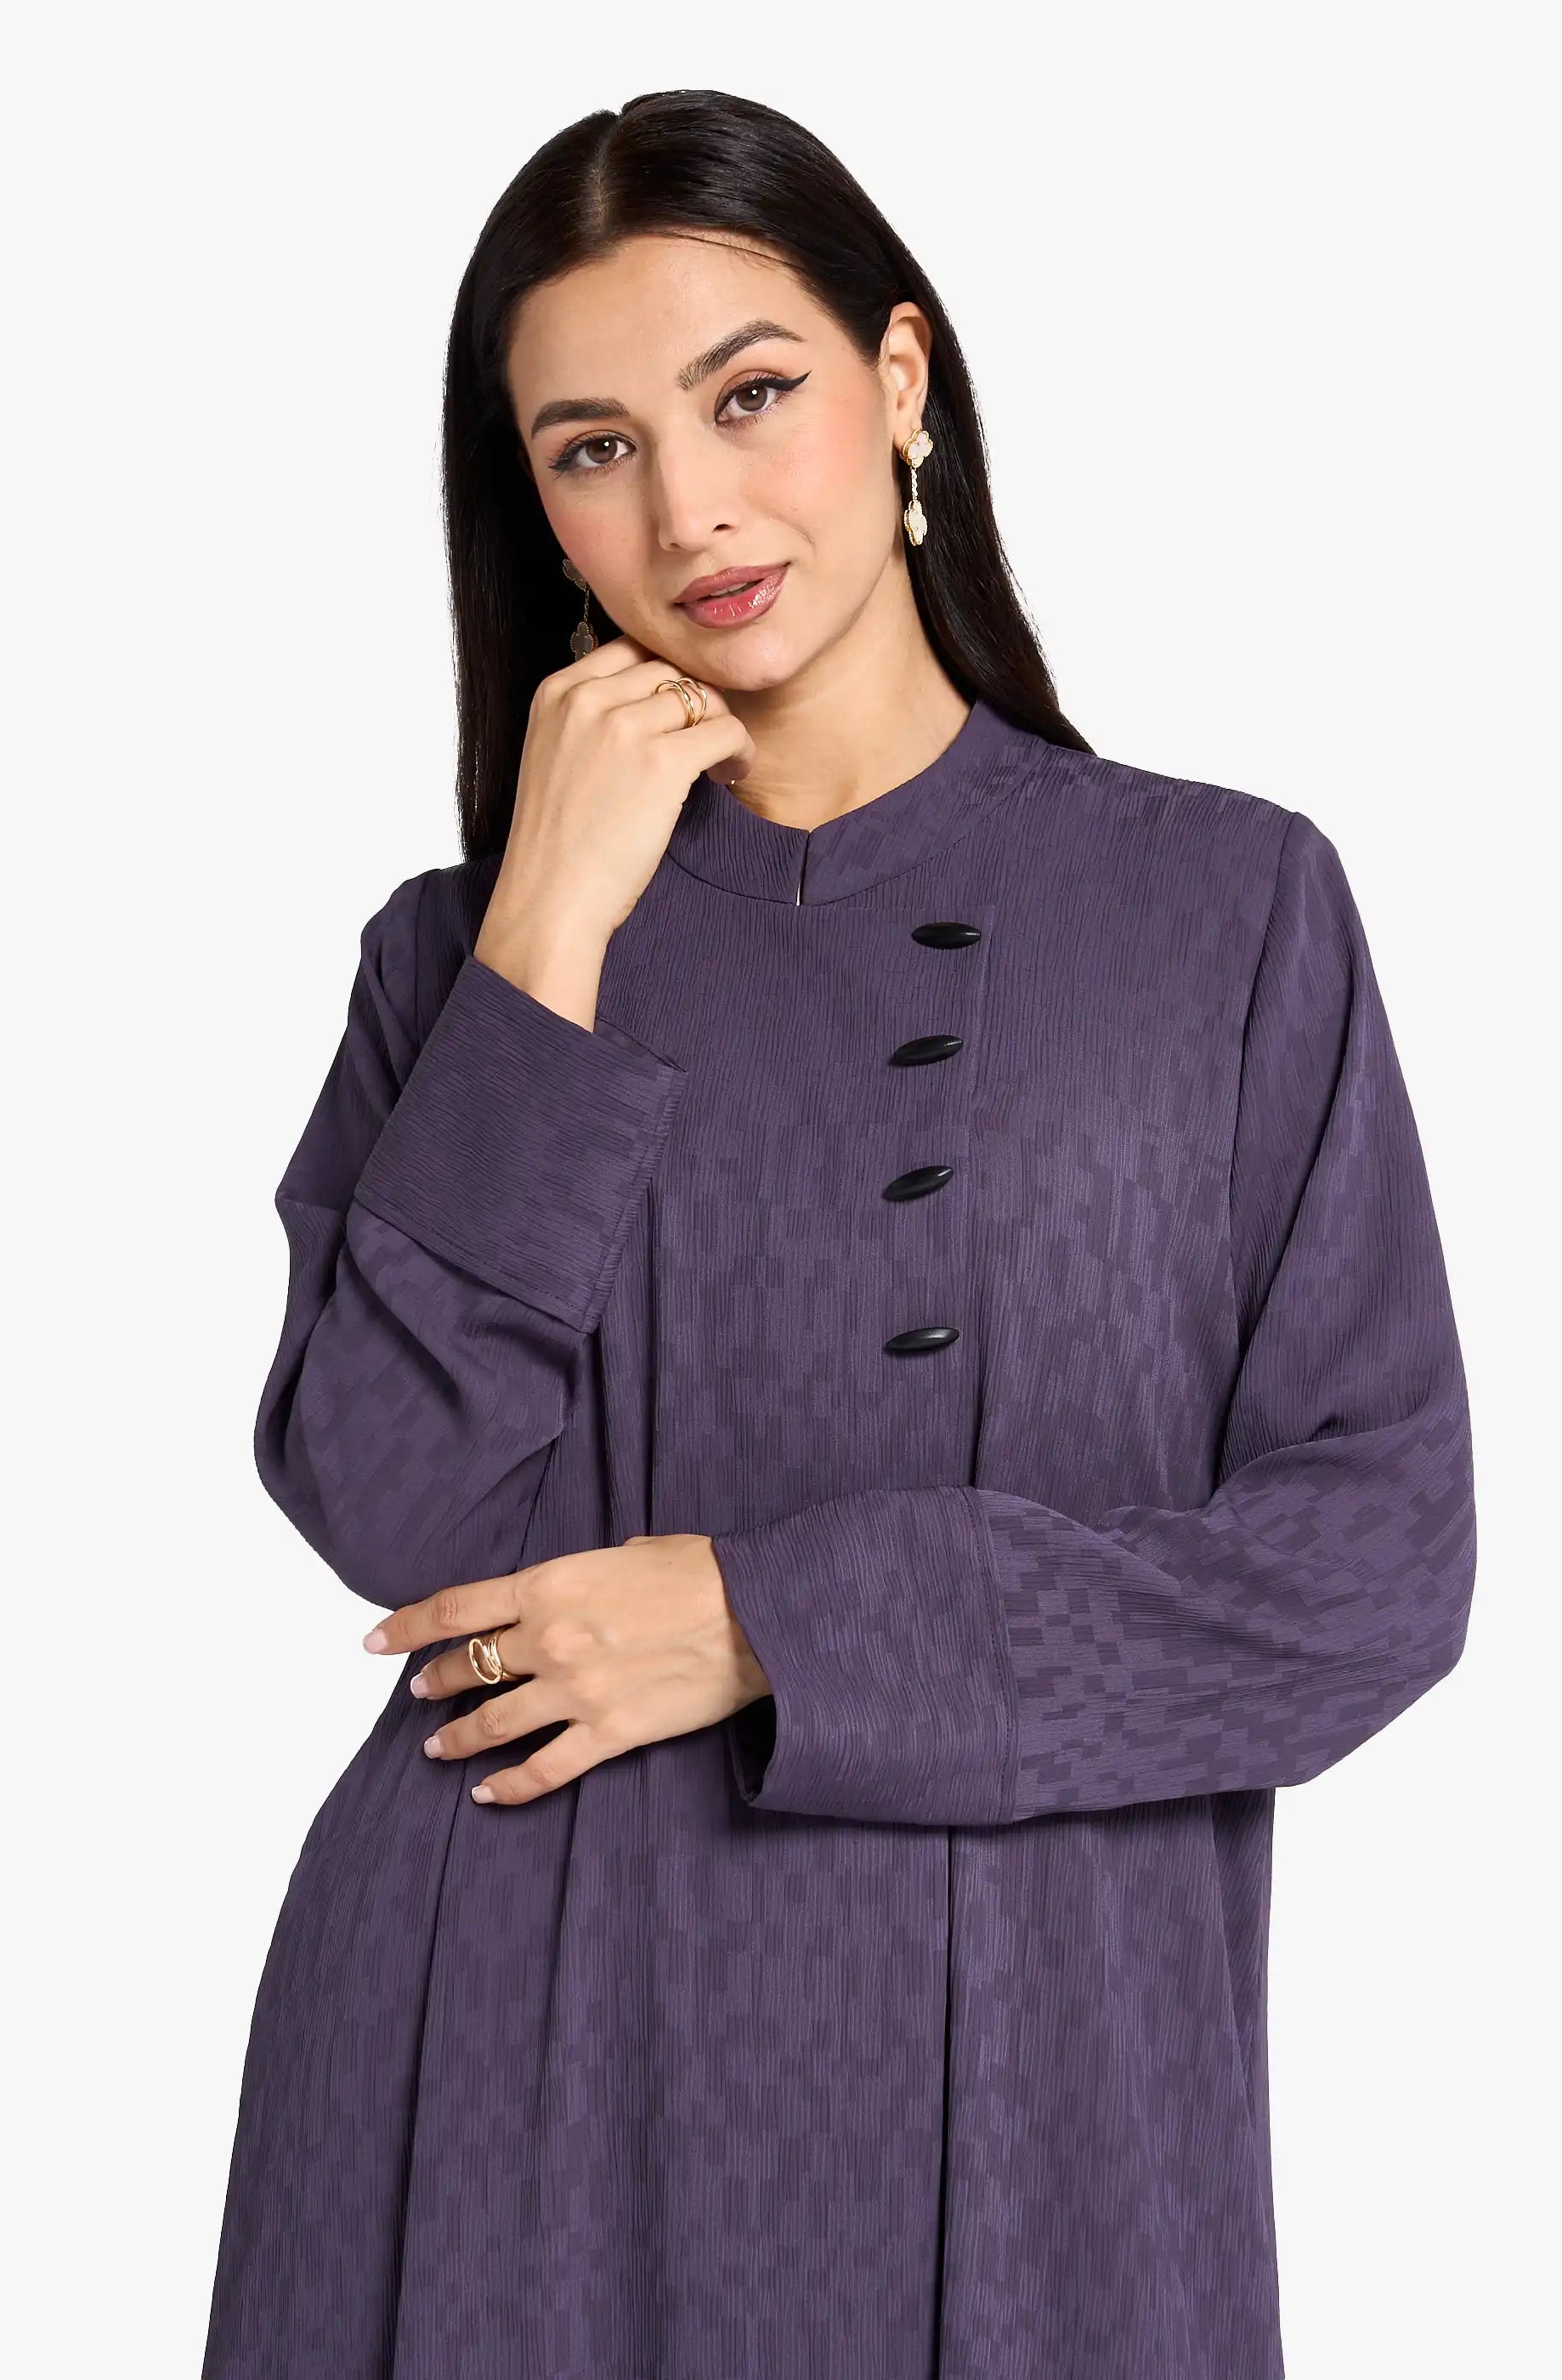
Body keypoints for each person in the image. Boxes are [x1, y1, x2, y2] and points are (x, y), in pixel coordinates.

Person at [201, 86, 1477, 2380]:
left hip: (1057, 2094)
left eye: (749, 394)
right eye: (592, 448)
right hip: (516, 2070)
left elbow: (1372, 1573)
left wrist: (770, 1620)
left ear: (900, 379)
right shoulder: (453, 962)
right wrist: (547, 929)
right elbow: (385, 1502)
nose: (688, 509)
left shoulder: (1226, 908)